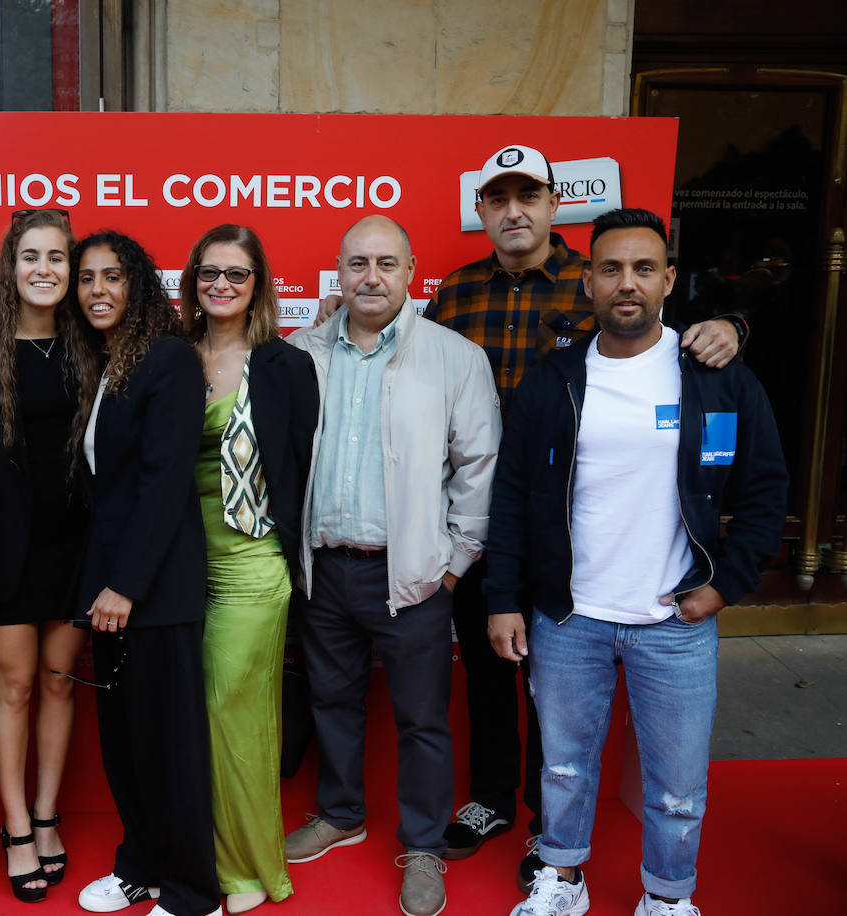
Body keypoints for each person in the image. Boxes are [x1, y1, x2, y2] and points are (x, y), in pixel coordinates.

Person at [312, 144, 747, 885]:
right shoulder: (453, 290)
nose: (514, 211)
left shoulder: (600, 278)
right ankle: (490, 800)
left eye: (529, 197)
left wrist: (735, 324)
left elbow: (679, 349)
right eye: (498, 199)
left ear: (553, 204)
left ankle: (553, 832)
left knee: (556, 685)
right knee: (485, 670)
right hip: (482, 517)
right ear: (480, 210)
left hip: (575, 524)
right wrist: (330, 323)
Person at [488, 208, 787, 916]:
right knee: (562, 768)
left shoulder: (716, 378)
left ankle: (666, 896)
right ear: (588, 281)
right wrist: (504, 596)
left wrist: (723, 588)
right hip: (570, 616)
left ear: (669, 281)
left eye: (644, 269)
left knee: (678, 785)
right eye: (613, 269)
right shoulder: (552, 380)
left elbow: (767, 490)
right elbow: (512, 495)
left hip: (674, 620)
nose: (628, 283)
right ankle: (562, 879)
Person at [284, 215, 500, 916]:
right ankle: (342, 814)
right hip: (324, 571)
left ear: (411, 272)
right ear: (338, 272)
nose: (369, 277)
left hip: (410, 577)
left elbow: (479, 467)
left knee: (422, 720)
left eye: (385, 263)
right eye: (356, 263)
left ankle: (426, 847)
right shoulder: (301, 352)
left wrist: (453, 563)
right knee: (333, 703)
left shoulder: (453, 356)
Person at [62, 231, 221, 916]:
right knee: (127, 746)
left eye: (113, 276)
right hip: (112, 591)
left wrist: (125, 585)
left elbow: (162, 483)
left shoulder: (170, 359)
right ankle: (142, 868)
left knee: (170, 748)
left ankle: (191, 893)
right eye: (86, 278)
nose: (97, 289)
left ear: (138, 286)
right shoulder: (108, 364)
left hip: (155, 590)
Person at [176, 224, 317, 915]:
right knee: (197, 714)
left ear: (258, 284)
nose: (221, 286)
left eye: (236, 274)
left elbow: (299, 471)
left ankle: (247, 868)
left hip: (255, 562)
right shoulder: (172, 360)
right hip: (180, 564)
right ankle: (205, 850)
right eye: (209, 274)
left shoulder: (287, 367)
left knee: (234, 704)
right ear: (193, 283)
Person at [0, 209, 87, 904]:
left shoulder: (93, 342)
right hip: (8, 548)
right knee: (15, 686)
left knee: (60, 683)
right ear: (10, 265)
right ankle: (14, 827)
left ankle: (46, 812)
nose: (44, 269)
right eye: (30, 256)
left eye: (57, 258)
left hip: (77, 547)